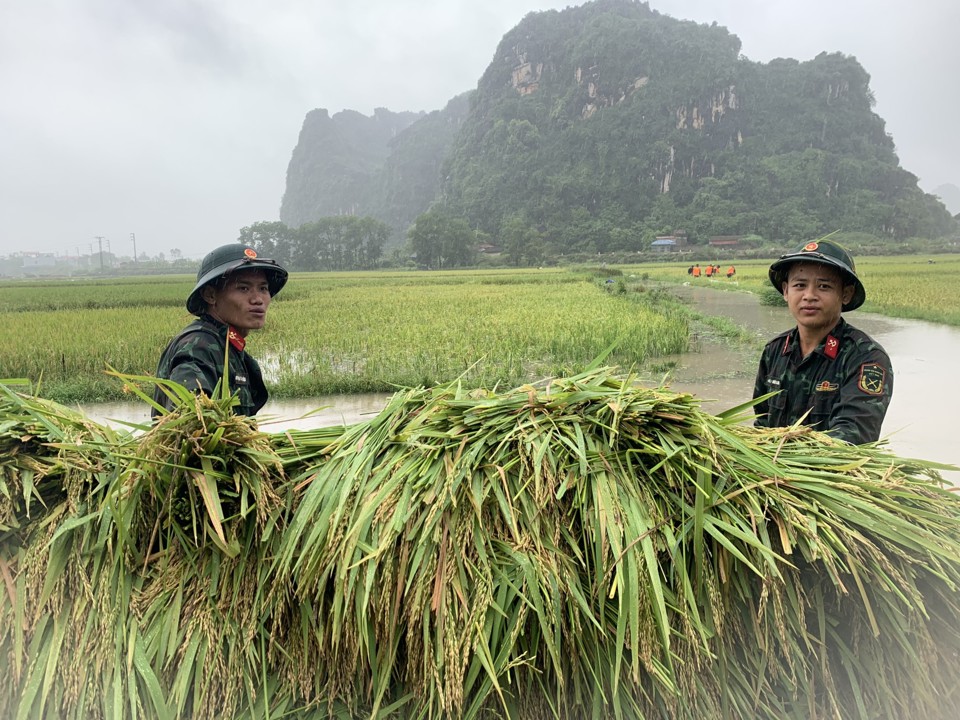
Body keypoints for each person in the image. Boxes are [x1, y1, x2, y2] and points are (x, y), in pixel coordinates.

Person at [752, 239, 892, 444]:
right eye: (800, 285)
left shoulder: (865, 358)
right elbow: (762, 423)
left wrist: (784, 455)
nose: (809, 296)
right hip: (771, 473)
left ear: (845, 294)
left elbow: (854, 435)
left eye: (824, 286)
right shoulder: (774, 351)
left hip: (832, 474)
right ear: (785, 291)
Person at [152, 243, 288, 417]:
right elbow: (189, 418)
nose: (257, 299)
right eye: (243, 288)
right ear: (210, 295)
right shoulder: (198, 346)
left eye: (263, 288)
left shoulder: (228, 347)